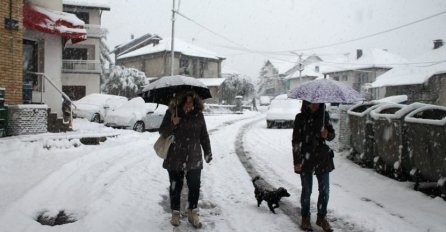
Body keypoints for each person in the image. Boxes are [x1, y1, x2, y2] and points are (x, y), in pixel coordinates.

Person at [159, 91, 213, 228]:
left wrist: (208, 152)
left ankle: (192, 213)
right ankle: (175, 213)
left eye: (192, 102)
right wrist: (173, 123)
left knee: (194, 186)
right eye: (186, 102)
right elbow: (163, 132)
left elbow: (204, 135)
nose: (189, 105)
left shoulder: (198, 115)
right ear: (181, 102)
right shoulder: (172, 113)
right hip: (175, 156)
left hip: (194, 157)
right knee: (175, 186)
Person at [292, 100, 335, 232]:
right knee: (307, 190)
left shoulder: (324, 116)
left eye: (318, 102)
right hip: (306, 158)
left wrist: (327, 134)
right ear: (306, 103)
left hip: (322, 158)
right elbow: (296, 141)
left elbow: (332, 135)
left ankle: (321, 217)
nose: (315, 104)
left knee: (325, 190)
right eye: (312, 102)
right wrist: (297, 161)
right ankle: (305, 217)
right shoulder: (300, 118)